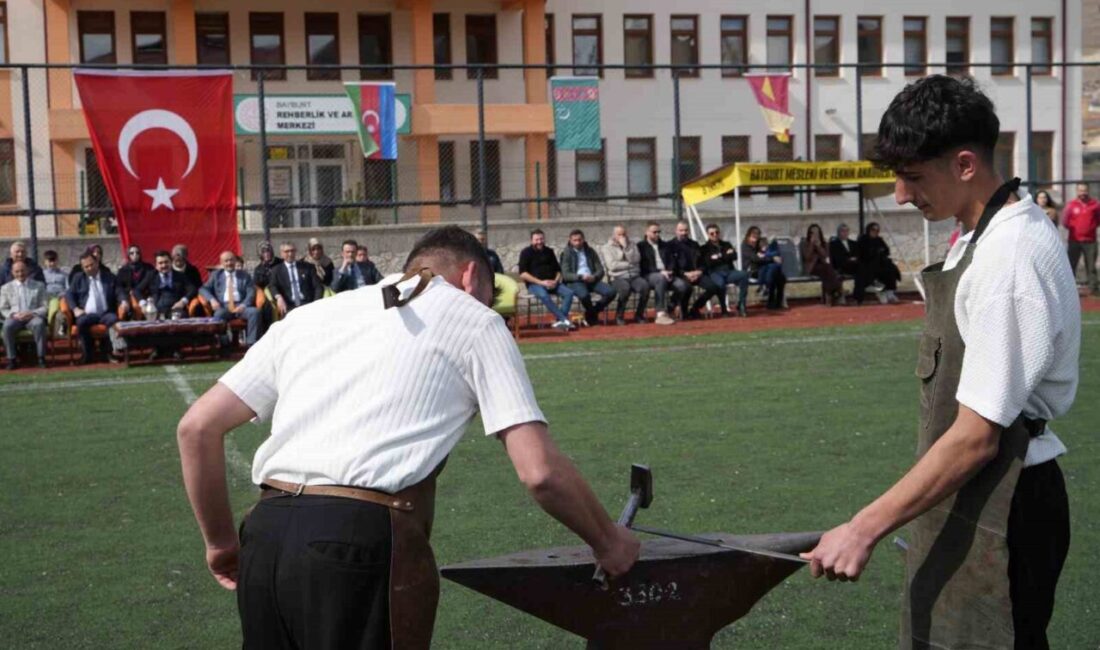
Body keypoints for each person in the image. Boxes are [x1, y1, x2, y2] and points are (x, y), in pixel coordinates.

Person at [176, 226, 640, 649]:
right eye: (489, 292)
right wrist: (607, 542)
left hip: (265, 535)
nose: (489, 302)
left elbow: (197, 428)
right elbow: (539, 472)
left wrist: (221, 545)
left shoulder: (311, 315)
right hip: (359, 540)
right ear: (471, 276)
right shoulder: (475, 320)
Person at [802, 75, 1080, 650]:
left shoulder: (1010, 258)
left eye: (913, 177)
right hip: (971, 492)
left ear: (965, 165)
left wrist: (862, 529)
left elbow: (977, 437)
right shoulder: (977, 235)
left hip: (1008, 501)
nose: (901, 194)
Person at [65, 251, 129, 364]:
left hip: (106, 312)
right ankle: (87, 355)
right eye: (86, 267)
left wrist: (124, 301)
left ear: (97, 263)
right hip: (87, 314)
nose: (89, 268)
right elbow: (69, 295)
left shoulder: (109, 276)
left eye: (91, 265)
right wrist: (75, 309)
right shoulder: (78, 278)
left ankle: (110, 353)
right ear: (82, 268)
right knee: (81, 322)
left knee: (114, 320)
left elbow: (119, 291)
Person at [518, 229, 575, 331]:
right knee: (544, 295)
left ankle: (559, 321)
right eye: (536, 239)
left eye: (541, 239)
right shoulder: (526, 253)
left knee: (569, 293)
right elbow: (523, 274)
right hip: (535, 285)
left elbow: (558, 270)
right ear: (531, 240)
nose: (539, 242)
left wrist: (556, 281)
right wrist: (541, 282)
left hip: (552, 283)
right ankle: (564, 319)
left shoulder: (549, 251)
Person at [201, 251, 261, 348]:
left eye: (231, 260)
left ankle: (252, 344)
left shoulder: (244, 275)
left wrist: (244, 305)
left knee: (254, 312)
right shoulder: (216, 275)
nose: (229, 263)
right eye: (226, 261)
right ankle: (224, 344)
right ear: (221, 262)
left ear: (235, 260)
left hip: (240, 305)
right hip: (223, 306)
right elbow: (203, 289)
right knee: (219, 314)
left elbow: (251, 292)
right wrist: (212, 300)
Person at [560, 229, 616, 326]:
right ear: (570, 240)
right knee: (584, 295)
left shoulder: (590, 251)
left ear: (583, 239)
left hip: (592, 280)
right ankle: (592, 318)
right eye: (575, 240)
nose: (577, 242)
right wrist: (580, 277)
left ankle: (591, 312)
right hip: (576, 281)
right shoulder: (566, 253)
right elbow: (565, 274)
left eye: (579, 240)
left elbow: (600, 269)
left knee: (611, 292)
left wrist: (594, 277)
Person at [668, 221, 721, 320]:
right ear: (676, 231)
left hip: (696, 274)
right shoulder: (670, 246)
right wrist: (685, 273)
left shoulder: (694, 244)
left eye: (686, 230)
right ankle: (681, 310)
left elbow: (702, 262)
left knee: (713, 287)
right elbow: (671, 266)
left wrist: (699, 271)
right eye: (681, 230)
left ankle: (695, 308)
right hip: (680, 275)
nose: (684, 233)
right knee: (687, 287)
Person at [0, 260, 48, 369]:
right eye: (17, 271)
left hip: (32, 316)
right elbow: (3, 308)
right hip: (15, 317)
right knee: (7, 327)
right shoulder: (6, 288)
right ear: (12, 273)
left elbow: (45, 306)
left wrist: (31, 313)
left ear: (27, 271)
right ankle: (11, 359)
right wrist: (14, 315)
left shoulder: (39, 285)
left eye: (22, 271)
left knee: (39, 324)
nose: (20, 274)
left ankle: (41, 358)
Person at [601, 225, 650, 325]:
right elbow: (612, 266)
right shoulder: (606, 248)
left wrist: (626, 247)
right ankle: (619, 315)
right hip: (617, 277)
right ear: (614, 235)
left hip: (634, 276)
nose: (622, 237)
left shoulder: (632, 245)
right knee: (625, 289)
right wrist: (629, 264)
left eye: (624, 234)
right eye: (619, 234)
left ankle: (639, 314)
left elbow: (636, 259)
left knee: (645, 286)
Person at [700, 223, 750, 317]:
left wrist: (718, 257)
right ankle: (724, 308)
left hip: (729, 271)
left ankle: (741, 304)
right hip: (715, 272)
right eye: (712, 233)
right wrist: (725, 255)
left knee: (744, 275)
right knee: (720, 283)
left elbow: (734, 256)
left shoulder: (726, 244)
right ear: (708, 235)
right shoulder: (704, 248)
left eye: (717, 232)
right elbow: (708, 263)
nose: (715, 235)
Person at [1062, 182, 1100, 296]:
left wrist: (1090, 228)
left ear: (1088, 191)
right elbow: (1065, 222)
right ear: (1077, 191)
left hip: (1090, 241)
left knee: (1091, 266)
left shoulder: (1095, 204)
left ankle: (1093, 290)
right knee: (1071, 265)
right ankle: (1070, 290)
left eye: (1084, 190)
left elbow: (1098, 219)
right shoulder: (1071, 205)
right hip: (1074, 240)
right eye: (1080, 190)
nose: (1082, 193)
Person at [636, 222, 677, 325]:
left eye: (659, 232)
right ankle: (660, 313)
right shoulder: (641, 246)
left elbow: (672, 261)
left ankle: (670, 307)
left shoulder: (665, 245)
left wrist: (669, 271)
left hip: (667, 274)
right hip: (649, 274)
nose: (657, 234)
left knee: (683, 286)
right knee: (660, 278)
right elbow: (643, 265)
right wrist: (661, 272)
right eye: (654, 232)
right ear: (647, 232)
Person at [136, 250, 196, 320]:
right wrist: (143, 304)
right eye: (160, 263)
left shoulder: (180, 276)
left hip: (175, 309)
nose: (164, 265)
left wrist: (182, 302)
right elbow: (137, 290)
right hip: (156, 310)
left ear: (171, 262)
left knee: (181, 321)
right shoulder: (151, 275)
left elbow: (192, 289)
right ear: (156, 265)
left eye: (166, 262)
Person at [270, 242, 322, 316]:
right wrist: (278, 297)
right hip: (289, 306)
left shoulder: (308, 267)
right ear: (281, 254)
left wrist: (316, 303)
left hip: (307, 304)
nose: (290, 254)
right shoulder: (276, 270)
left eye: (292, 251)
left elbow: (318, 286)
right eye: (287, 251)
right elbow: (272, 286)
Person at [742, 227, 786, 310]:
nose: (754, 240)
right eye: (753, 237)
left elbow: (764, 255)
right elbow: (755, 259)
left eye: (757, 237)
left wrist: (766, 256)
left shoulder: (760, 243)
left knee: (778, 274)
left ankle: (769, 294)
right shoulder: (745, 246)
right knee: (776, 272)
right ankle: (773, 300)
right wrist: (772, 258)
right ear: (748, 236)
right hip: (752, 271)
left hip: (764, 268)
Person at [857, 222, 902, 304]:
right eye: (873, 230)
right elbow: (863, 254)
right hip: (867, 264)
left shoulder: (879, 240)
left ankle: (890, 291)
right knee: (874, 268)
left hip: (881, 263)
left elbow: (886, 250)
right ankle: (879, 288)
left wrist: (879, 252)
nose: (875, 232)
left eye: (877, 230)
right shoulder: (863, 239)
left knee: (890, 268)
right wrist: (875, 252)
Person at [801, 224, 844, 305]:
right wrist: (811, 244)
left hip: (824, 266)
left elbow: (826, 256)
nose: (815, 234)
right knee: (828, 270)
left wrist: (818, 246)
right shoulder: (805, 243)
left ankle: (829, 295)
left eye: (817, 232)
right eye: (812, 233)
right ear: (809, 233)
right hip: (812, 267)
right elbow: (807, 257)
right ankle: (837, 291)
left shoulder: (824, 243)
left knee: (826, 271)